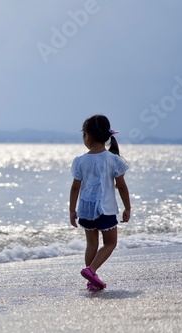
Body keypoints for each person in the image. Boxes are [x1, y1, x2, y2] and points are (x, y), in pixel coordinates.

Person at [69, 114, 131, 291]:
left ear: (87, 135)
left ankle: (91, 280)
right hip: (106, 209)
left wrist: (72, 210)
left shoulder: (80, 161)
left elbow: (74, 188)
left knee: (91, 244)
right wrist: (128, 207)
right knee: (110, 243)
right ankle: (92, 270)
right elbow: (122, 187)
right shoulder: (113, 159)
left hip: (85, 209)